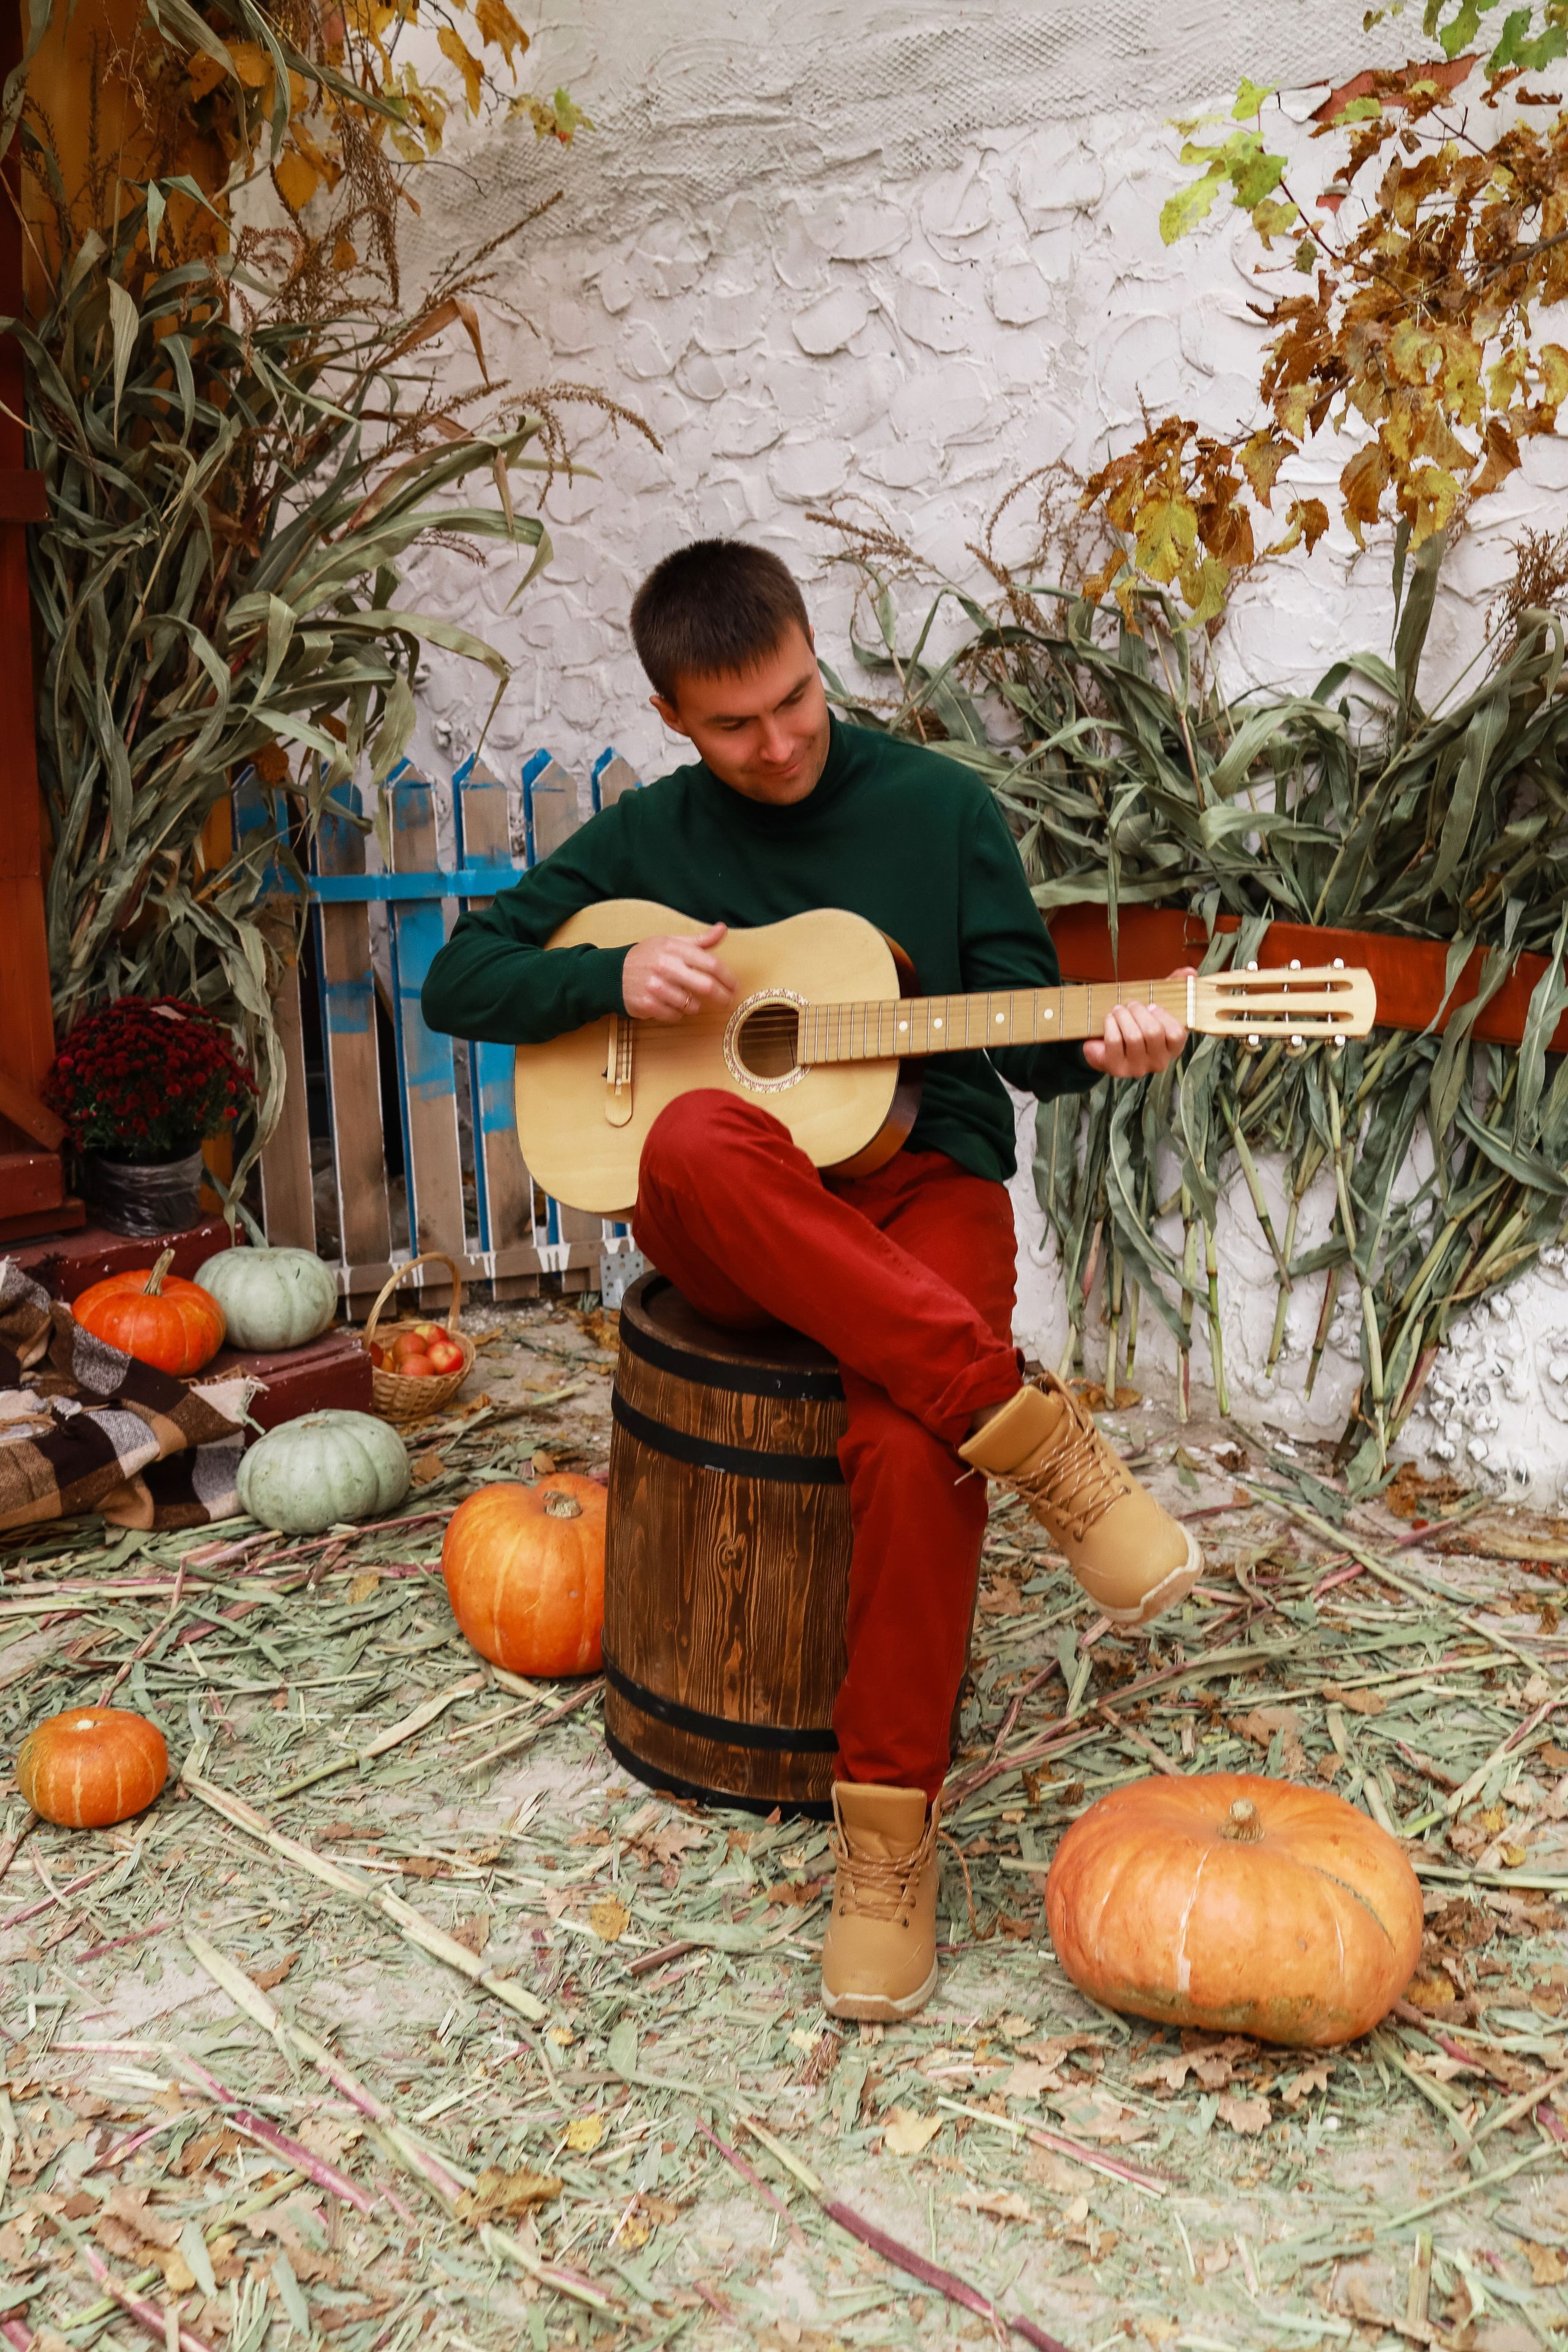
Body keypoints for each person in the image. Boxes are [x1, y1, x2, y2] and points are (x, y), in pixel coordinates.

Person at [422, 539, 1196, 2023]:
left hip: (921, 1184)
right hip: (737, 1218)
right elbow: (460, 978)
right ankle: (1035, 1435)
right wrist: (610, 982)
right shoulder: (649, 839)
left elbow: (1021, 1038)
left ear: (808, 654)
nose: (776, 744)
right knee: (706, 1130)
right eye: (734, 724)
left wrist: (1106, 1042)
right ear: (671, 719)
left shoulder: (938, 808)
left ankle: (884, 1843)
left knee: (910, 1437)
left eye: (792, 700)